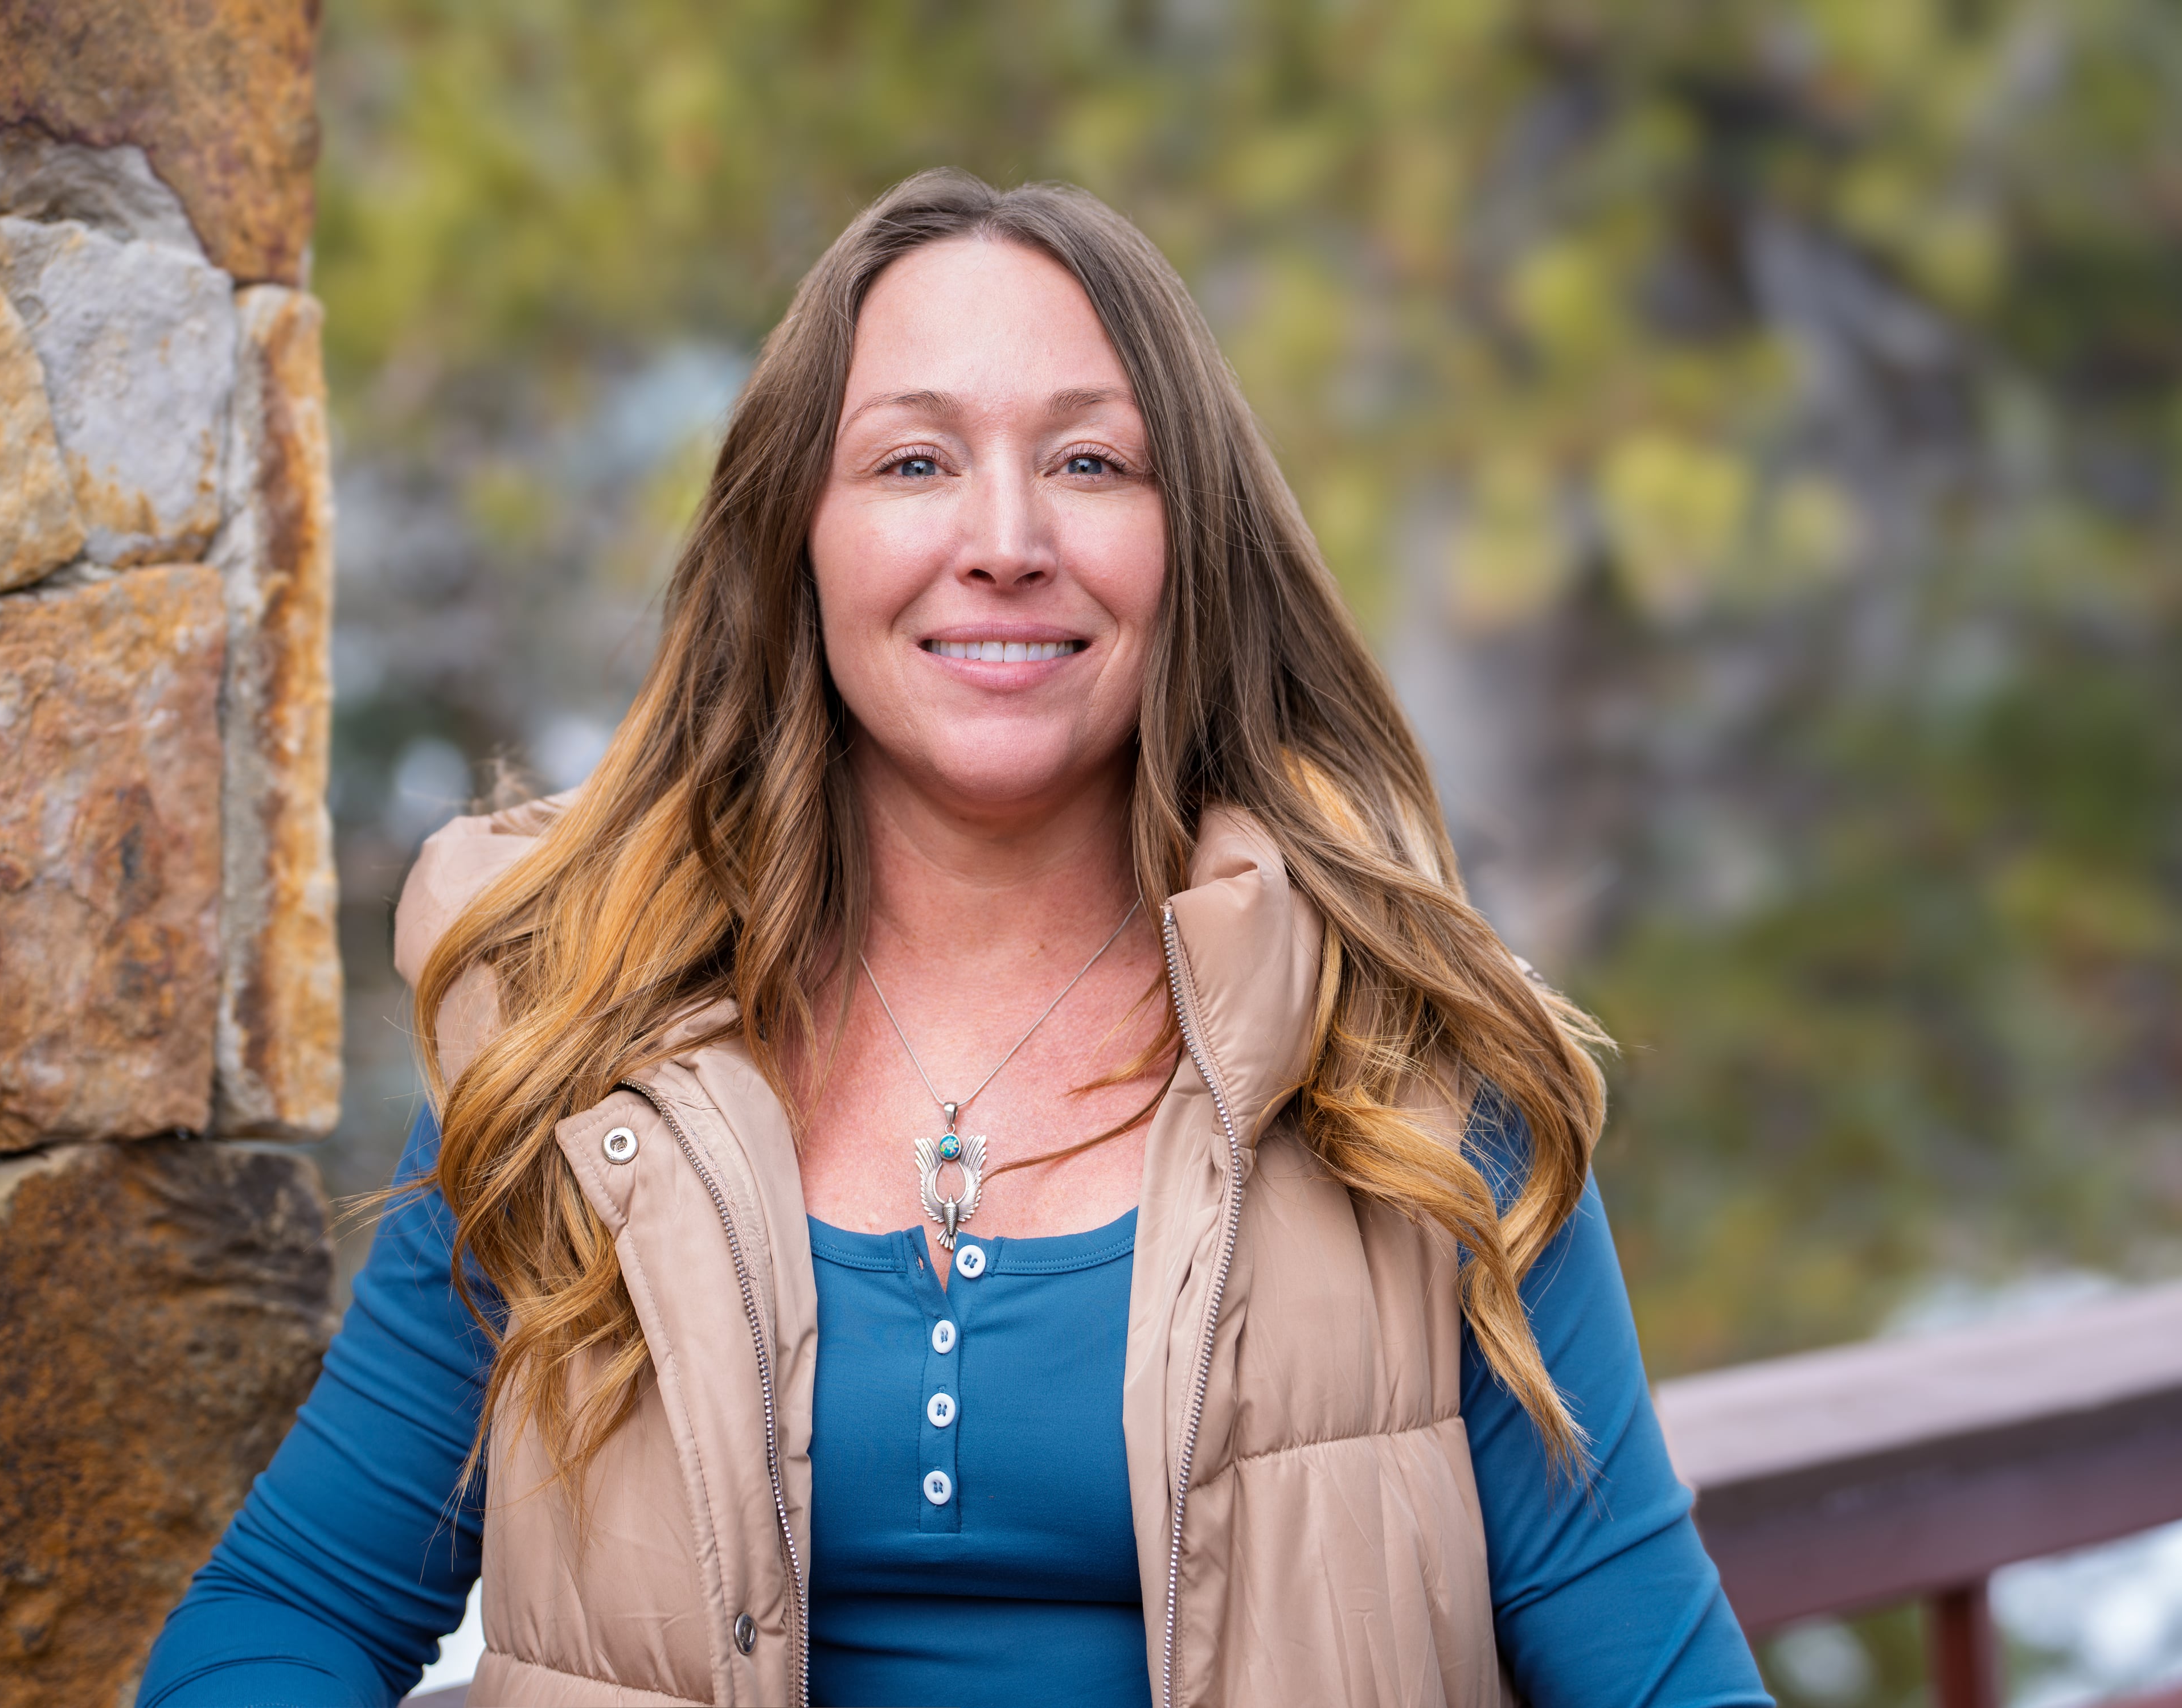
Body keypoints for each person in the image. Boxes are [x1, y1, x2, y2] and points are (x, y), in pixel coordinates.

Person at [140, 170, 1771, 1708]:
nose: (1003, 538)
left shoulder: (1407, 1075)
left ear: (1185, 546)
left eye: (1088, 463)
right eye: (913, 464)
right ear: (799, 540)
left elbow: (1658, 1677)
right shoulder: (575, 1048)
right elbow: (292, 1613)